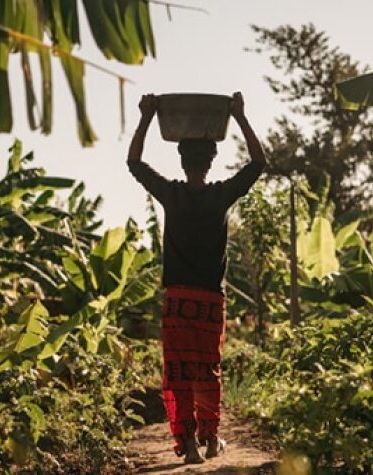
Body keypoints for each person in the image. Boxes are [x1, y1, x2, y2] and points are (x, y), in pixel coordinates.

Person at [127, 92, 267, 464]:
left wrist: (146, 116)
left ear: (182, 160)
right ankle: (210, 438)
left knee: (179, 371)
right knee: (208, 370)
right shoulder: (220, 195)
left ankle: (188, 445)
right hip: (209, 302)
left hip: (177, 300)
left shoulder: (171, 194)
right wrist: (239, 116)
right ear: (211, 162)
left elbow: (134, 162)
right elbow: (258, 162)